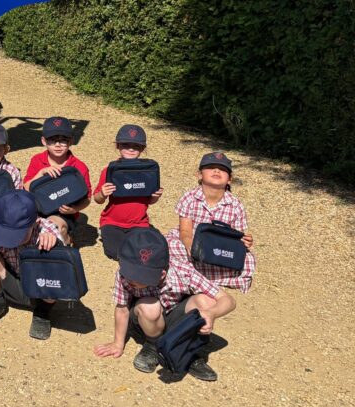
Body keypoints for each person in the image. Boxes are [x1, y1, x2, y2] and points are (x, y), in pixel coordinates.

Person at [94, 228, 236, 382]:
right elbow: (122, 310)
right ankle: (153, 345)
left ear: (162, 274)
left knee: (205, 301)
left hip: (174, 317)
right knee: (150, 306)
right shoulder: (124, 276)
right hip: (146, 319)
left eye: (138, 277)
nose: (130, 280)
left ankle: (187, 351)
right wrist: (118, 343)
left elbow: (228, 300)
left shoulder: (183, 271)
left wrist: (211, 313)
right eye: (129, 273)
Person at [0, 190, 61, 342]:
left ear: (34, 221)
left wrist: (54, 243)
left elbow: (64, 275)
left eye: (19, 234)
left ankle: (42, 312)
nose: (12, 240)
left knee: (53, 262)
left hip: (40, 289)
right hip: (13, 282)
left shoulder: (47, 229)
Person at [166, 152, 256, 292]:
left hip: (219, 248)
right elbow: (185, 231)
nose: (216, 171)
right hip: (194, 243)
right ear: (199, 175)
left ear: (230, 179)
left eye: (222, 169)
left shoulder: (235, 205)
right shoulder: (190, 198)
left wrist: (246, 241)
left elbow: (238, 236)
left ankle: (194, 276)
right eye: (211, 167)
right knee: (171, 245)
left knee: (248, 259)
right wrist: (190, 246)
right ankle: (206, 277)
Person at [93, 124, 164, 260]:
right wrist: (102, 193)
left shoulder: (148, 171)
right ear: (118, 146)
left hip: (139, 222)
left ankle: (142, 235)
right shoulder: (110, 170)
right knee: (115, 253)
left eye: (136, 146)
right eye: (126, 145)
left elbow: (150, 200)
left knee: (142, 254)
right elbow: (97, 199)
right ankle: (106, 233)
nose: (131, 149)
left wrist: (156, 196)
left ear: (142, 148)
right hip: (112, 221)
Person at [23, 116, 92, 245]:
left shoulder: (78, 166)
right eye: (52, 140)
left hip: (64, 214)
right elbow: (26, 187)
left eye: (63, 140)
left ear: (71, 141)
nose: (58, 144)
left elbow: (87, 198)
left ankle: (65, 243)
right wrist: (41, 173)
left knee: (55, 228)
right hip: (38, 209)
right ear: (43, 141)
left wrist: (74, 209)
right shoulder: (37, 160)